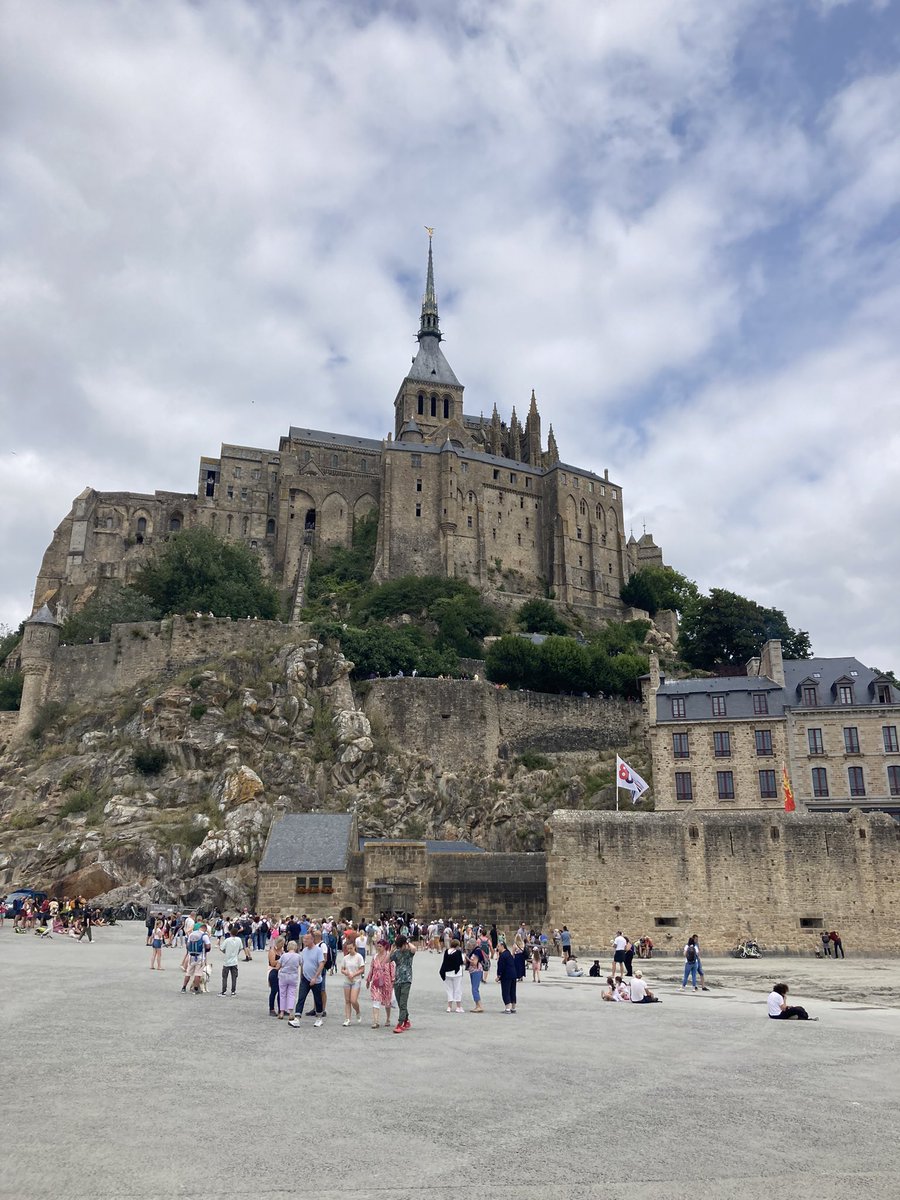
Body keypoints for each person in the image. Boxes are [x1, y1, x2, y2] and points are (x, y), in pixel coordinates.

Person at [289, 933, 326, 1027]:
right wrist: (301, 975)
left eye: (307, 939)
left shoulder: (318, 950)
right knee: (301, 997)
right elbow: (303, 963)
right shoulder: (304, 950)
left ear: (312, 939)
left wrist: (315, 977)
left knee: (317, 999)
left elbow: (321, 964)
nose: (304, 941)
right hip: (305, 978)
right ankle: (297, 1018)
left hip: (315, 979)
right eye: (304, 939)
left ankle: (319, 1018)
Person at [366, 940, 395, 1028]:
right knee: (376, 999)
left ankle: (388, 1018)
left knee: (387, 1001)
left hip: (386, 981)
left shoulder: (389, 956)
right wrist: (368, 980)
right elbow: (371, 968)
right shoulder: (374, 957)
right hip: (376, 981)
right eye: (377, 946)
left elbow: (392, 968)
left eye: (380, 946)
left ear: (385, 947)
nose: (378, 948)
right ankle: (376, 1021)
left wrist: (393, 981)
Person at [390, 934, 416, 1033]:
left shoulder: (409, 952)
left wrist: (407, 942)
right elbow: (388, 960)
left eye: (400, 946)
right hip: (397, 979)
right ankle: (406, 1019)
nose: (399, 948)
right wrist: (392, 949)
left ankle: (400, 1023)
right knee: (400, 1002)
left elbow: (414, 949)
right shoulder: (396, 952)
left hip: (407, 979)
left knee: (403, 1002)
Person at [340, 937, 366, 1025]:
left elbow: (362, 969)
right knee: (347, 1000)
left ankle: (357, 1011)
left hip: (356, 980)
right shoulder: (345, 958)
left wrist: (354, 974)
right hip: (347, 980)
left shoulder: (359, 957)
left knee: (353, 1000)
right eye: (348, 949)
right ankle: (347, 1019)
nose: (349, 950)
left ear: (354, 947)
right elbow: (342, 969)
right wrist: (345, 972)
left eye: (351, 948)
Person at [181, 923, 210, 994]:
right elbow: (208, 946)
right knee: (198, 973)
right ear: (205, 929)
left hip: (191, 956)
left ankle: (183, 988)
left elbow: (187, 945)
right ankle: (196, 989)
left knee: (188, 972)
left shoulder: (192, 934)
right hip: (200, 956)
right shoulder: (204, 936)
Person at [439, 938, 465, 1013]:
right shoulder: (458, 952)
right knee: (457, 989)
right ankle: (458, 1006)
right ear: (457, 946)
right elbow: (461, 962)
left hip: (447, 973)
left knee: (449, 989)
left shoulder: (446, 951)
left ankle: (449, 1007)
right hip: (457, 973)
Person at [277, 940, 301, 1019]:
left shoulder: (284, 955)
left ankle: (281, 1012)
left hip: (283, 976)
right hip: (293, 976)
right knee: (292, 994)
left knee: (282, 994)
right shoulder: (298, 956)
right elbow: (301, 965)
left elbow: (278, 966)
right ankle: (291, 1012)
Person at [219, 925, 243, 997]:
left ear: (230, 933)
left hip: (227, 961)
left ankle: (224, 991)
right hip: (234, 961)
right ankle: (233, 991)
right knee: (234, 977)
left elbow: (221, 948)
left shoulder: (227, 940)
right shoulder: (239, 940)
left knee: (225, 977)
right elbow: (240, 948)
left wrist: (225, 952)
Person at [496, 937, 517, 1014]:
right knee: (512, 991)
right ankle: (513, 1007)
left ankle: (507, 1008)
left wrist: (498, 976)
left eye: (498, 946)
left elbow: (501, 967)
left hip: (506, 976)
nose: (497, 948)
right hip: (513, 974)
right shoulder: (509, 954)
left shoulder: (502, 956)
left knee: (506, 991)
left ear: (502, 946)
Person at [466, 940, 485, 1012]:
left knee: (474, 989)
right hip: (473, 971)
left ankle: (479, 1005)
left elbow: (474, 963)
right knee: (474, 988)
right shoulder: (473, 951)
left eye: (469, 944)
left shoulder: (477, 951)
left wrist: (467, 959)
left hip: (476, 970)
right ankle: (477, 1005)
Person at [267, 935, 284, 1016]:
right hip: (273, 971)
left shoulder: (282, 951)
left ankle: (281, 1009)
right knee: (274, 990)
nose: (283, 945)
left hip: (281, 971)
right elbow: (272, 962)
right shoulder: (272, 951)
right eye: (282, 943)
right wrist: (281, 960)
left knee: (281, 991)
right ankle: (271, 1009)